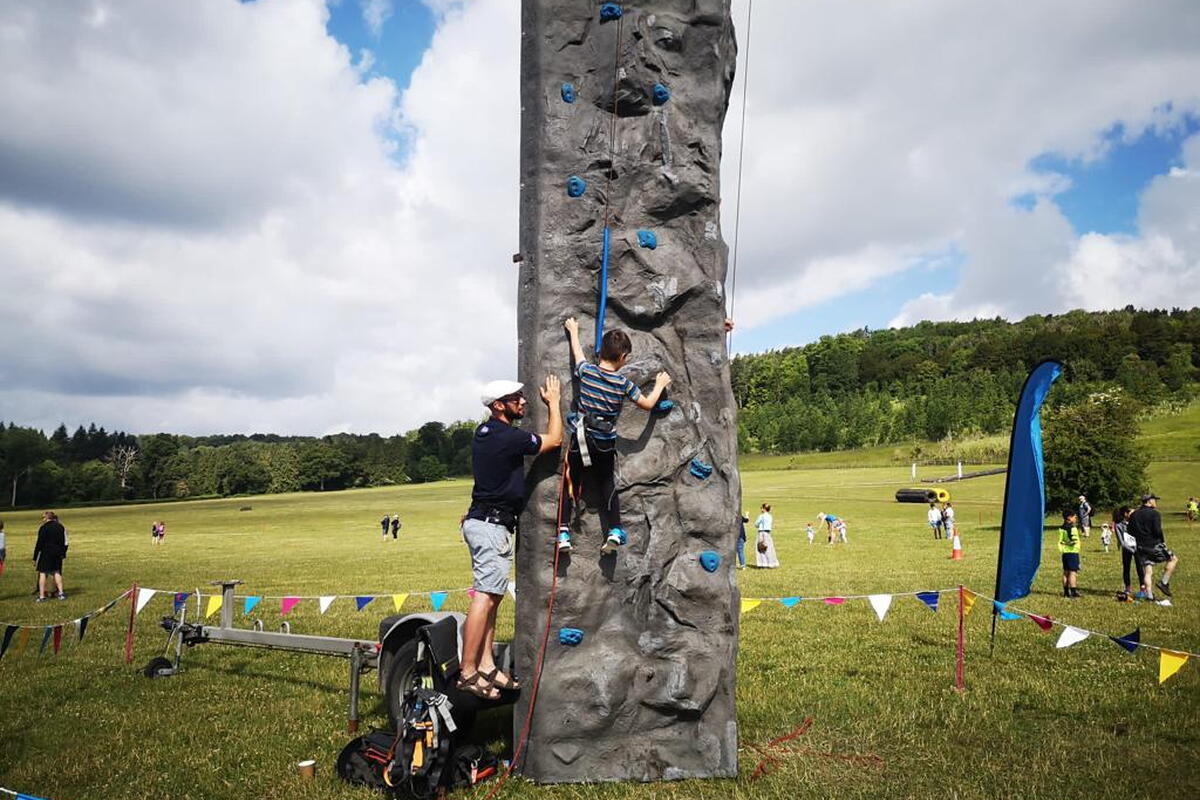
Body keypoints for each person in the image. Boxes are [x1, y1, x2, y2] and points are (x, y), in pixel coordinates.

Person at [458, 375, 562, 700]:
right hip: (492, 526)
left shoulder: (485, 432)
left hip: (486, 521)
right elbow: (554, 440)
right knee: (485, 598)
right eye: (516, 398)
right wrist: (555, 403)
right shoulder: (507, 437)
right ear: (499, 405)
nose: (523, 402)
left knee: (494, 597)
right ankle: (468, 672)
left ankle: (487, 664)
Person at [558, 317, 671, 554]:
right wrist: (659, 384)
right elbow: (648, 403)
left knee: (571, 480)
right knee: (607, 483)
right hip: (604, 442)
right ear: (622, 358)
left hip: (581, 438)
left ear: (601, 353)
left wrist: (574, 332)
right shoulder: (622, 384)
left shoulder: (587, 372)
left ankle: (564, 532)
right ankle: (615, 529)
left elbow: (577, 355)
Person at [1127, 493, 1179, 600]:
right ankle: (1164, 582)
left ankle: (1150, 596)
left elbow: (1130, 531)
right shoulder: (1154, 514)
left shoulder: (1134, 514)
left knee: (1148, 570)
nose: (1156, 502)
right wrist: (1162, 542)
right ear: (1149, 501)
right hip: (1153, 544)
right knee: (1173, 559)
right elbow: (1157, 530)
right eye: (1154, 500)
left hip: (1140, 546)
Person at [33, 511, 68, 601]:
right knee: (57, 572)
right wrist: (62, 553)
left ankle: (42, 596)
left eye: (43, 518)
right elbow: (63, 541)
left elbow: (39, 543)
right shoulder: (60, 527)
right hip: (57, 552)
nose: (43, 519)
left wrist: (35, 556)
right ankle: (61, 593)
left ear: (47, 518)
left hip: (46, 552)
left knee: (43, 573)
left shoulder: (43, 528)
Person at [1113, 506, 1141, 601]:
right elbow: (1121, 541)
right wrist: (1131, 549)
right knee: (1126, 568)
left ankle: (1143, 588)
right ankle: (1127, 588)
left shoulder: (1135, 522)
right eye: (1130, 513)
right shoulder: (1118, 525)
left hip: (1138, 548)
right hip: (1127, 549)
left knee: (1140, 568)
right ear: (1125, 514)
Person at [1058, 510, 1082, 598]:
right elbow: (1073, 541)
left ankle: (1066, 592)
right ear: (1069, 518)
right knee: (1073, 572)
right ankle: (1073, 592)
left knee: (1065, 572)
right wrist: (1070, 543)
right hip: (1072, 552)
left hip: (1065, 552)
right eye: (1074, 517)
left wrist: (1064, 544)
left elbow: (1062, 540)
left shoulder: (1061, 528)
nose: (1076, 518)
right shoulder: (1072, 528)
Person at [754, 504, 779, 568]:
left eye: (761, 508)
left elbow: (756, 524)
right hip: (768, 533)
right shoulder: (770, 516)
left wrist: (758, 525)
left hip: (761, 532)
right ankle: (771, 563)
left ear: (764, 509)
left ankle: (763, 563)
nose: (761, 509)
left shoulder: (761, 516)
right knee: (769, 548)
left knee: (761, 548)